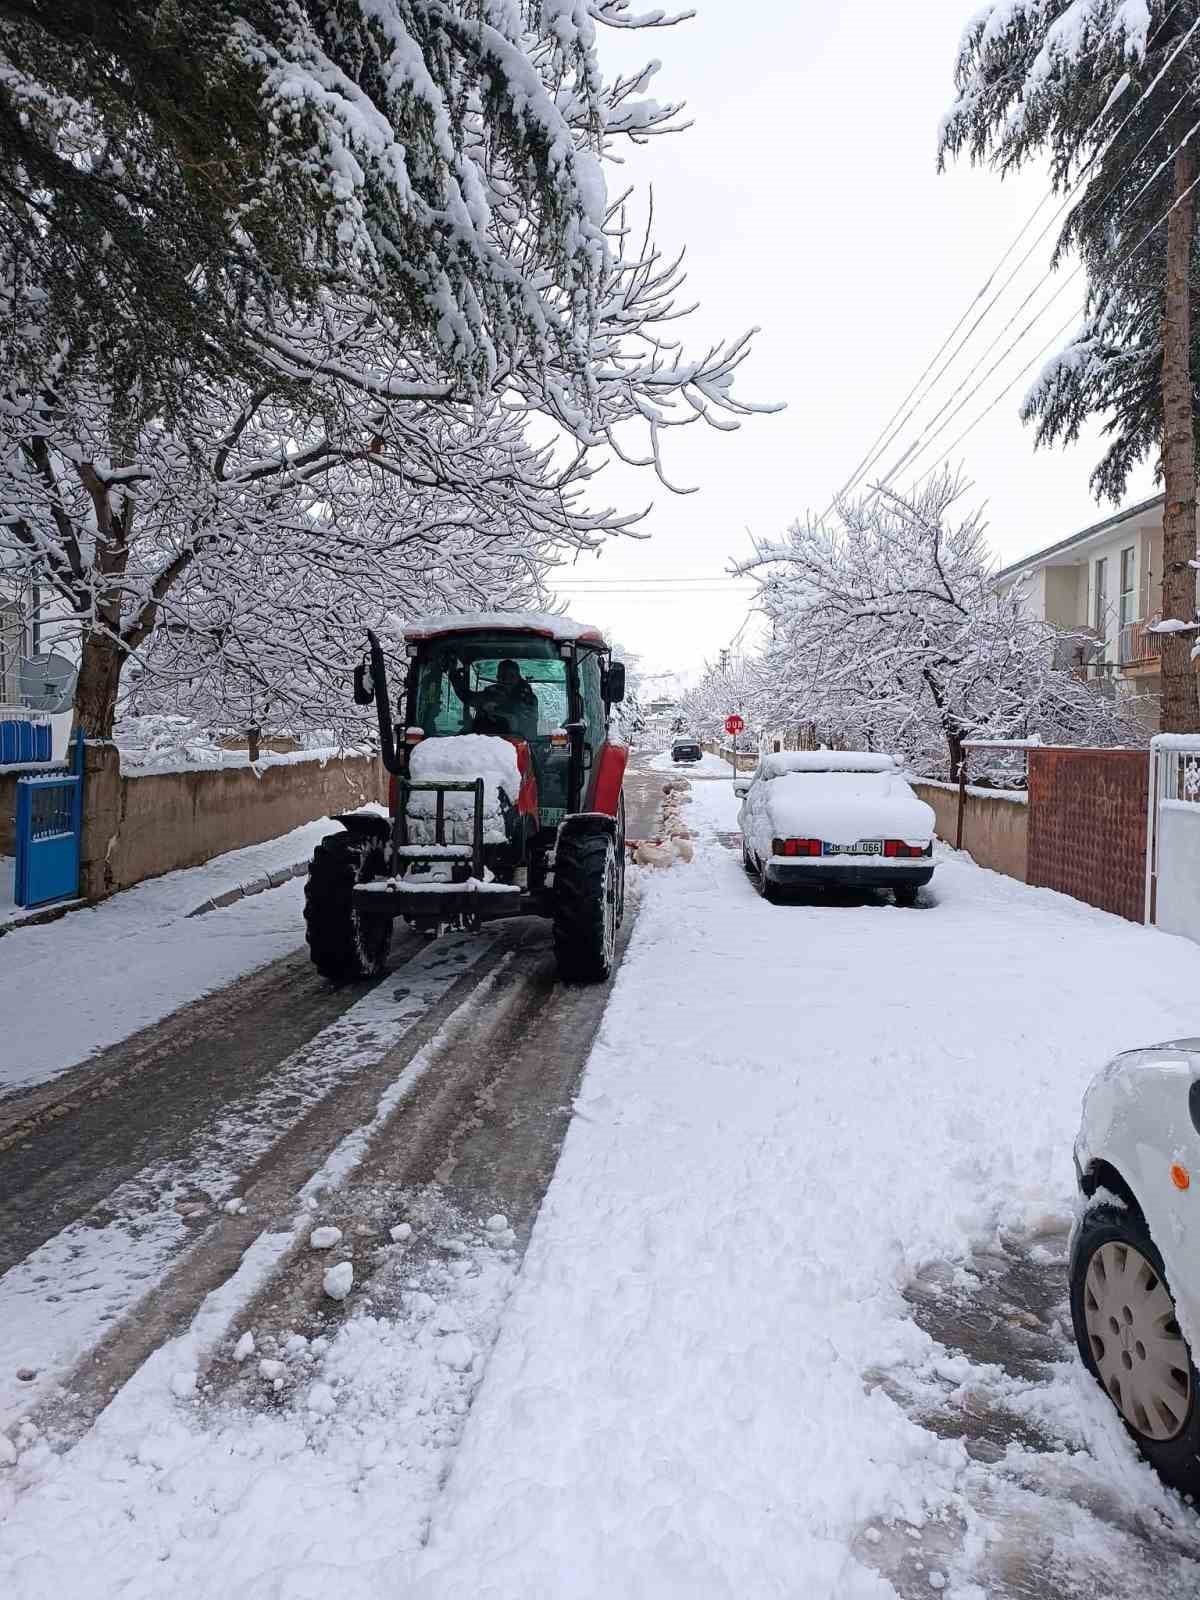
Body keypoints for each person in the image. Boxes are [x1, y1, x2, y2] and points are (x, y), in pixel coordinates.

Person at [450, 657, 538, 739]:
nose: (507, 680)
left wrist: (498, 707)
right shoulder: (490, 694)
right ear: (497, 678)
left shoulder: (529, 698)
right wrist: (454, 675)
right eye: (503, 676)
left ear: (518, 678)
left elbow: (524, 719)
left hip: (521, 745)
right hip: (487, 743)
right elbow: (468, 698)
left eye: (511, 676)